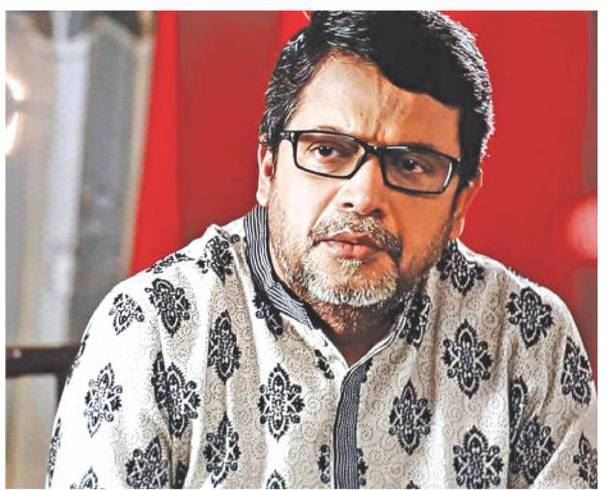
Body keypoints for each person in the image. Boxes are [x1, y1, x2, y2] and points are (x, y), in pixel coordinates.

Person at [47, 11, 596, 489]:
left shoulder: (529, 336)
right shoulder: (152, 328)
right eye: (328, 151)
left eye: (411, 165)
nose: (364, 196)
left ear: (460, 204)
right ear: (268, 170)